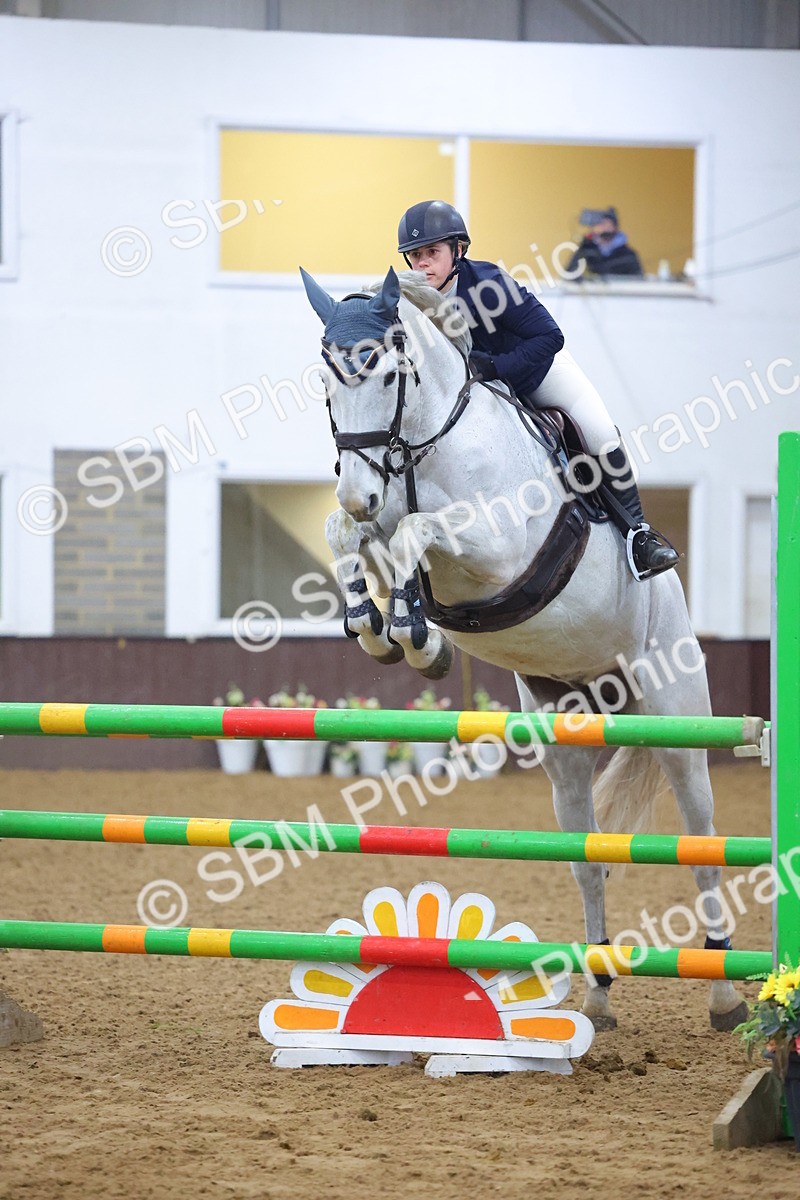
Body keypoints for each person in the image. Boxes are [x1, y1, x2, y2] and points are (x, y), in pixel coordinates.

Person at [396, 199, 677, 579]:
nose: (423, 263)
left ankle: (639, 536)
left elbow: (550, 336)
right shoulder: (410, 303)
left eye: (432, 252)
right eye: (415, 256)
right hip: (479, 395)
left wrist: (495, 367)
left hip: (537, 373)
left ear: (458, 251)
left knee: (598, 433)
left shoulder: (490, 284)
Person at [566, 207, 643, 279]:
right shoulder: (584, 251)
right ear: (593, 227)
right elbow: (570, 274)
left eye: (608, 224)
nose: (605, 227)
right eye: (601, 224)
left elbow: (637, 280)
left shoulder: (628, 255)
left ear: (615, 227)